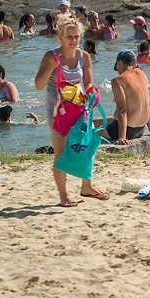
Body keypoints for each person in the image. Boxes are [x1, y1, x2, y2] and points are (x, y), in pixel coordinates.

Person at [34, 17, 108, 206]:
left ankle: (86, 186)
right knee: (60, 152)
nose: (74, 41)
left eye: (76, 37)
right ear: (60, 37)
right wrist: (51, 66)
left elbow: (88, 81)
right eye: (69, 37)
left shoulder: (84, 56)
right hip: (57, 110)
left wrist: (91, 89)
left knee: (87, 145)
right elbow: (38, 85)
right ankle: (63, 196)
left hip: (80, 107)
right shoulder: (51, 57)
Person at [102, 51, 150, 146]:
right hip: (140, 130)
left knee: (88, 127)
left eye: (117, 66)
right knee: (100, 120)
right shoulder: (141, 74)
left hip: (126, 131)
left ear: (119, 62)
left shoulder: (117, 81)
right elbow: (146, 104)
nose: (117, 70)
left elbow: (122, 110)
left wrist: (122, 137)